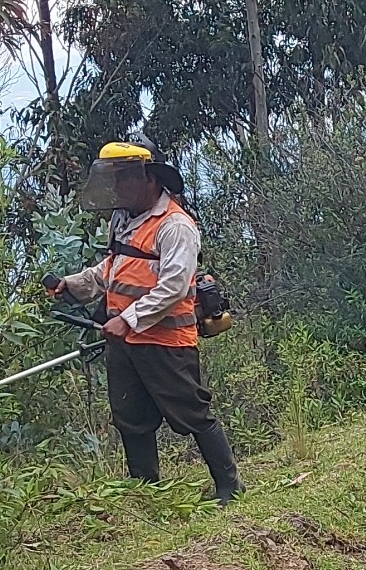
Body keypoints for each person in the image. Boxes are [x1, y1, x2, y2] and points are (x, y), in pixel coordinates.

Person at [46, 142, 241, 503]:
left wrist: (129, 319)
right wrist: (73, 286)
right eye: (115, 179)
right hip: (125, 342)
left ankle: (229, 485)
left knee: (192, 412)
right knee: (130, 417)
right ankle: (145, 492)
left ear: (150, 179)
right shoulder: (123, 220)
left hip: (166, 342)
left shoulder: (175, 226)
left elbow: (174, 287)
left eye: (125, 179)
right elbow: (112, 268)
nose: (118, 188)